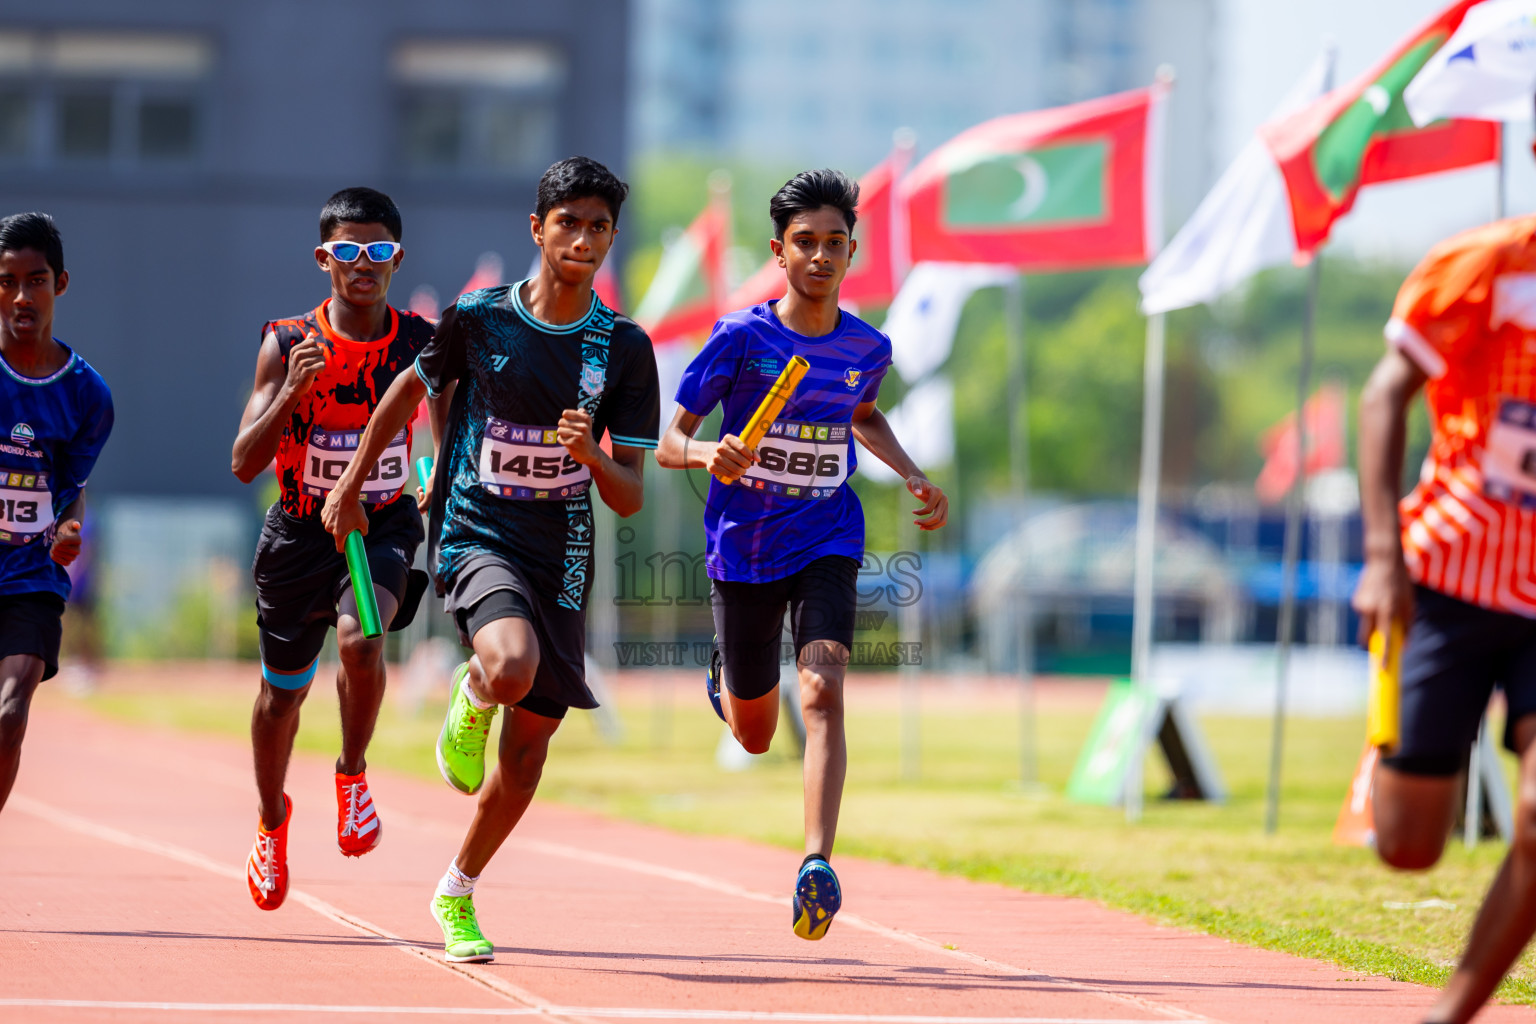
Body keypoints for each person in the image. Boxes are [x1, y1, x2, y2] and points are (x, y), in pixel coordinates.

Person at [321, 156, 659, 963]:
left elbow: (629, 494)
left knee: (529, 749)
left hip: (563, 552)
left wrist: (593, 454)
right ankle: (471, 694)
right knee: (508, 668)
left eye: (598, 226)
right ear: (537, 229)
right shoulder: (478, 319)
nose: (583, 238)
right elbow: (406, 393)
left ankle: (458, 890)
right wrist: (354, 486)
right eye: (567, 222)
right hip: (477, 530)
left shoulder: (624, 348)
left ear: (612, 238)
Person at [655, 169, 948, 941]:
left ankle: (816, 862)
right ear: (780, 253)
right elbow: (668, 440)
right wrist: (705, 455)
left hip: (827, 535)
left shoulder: (865, 346)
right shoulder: (742, 340)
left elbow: (863, 416)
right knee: (754, 733)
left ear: (852, 253)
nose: (821, 256)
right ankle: (729, 676)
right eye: (805, 243)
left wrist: (912, 471)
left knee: (822, 690)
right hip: (745, 548)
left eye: (835, 244)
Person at [231, 187, 441, 911]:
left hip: (377, 524)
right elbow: (242, 461)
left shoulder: (418, 343)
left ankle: (352, 774)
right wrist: (290, 391)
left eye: (378, 251)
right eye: (348, 251)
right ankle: (270, 820)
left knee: (362, 638)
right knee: (280, 697)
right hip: (296, 535)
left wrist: (429, 476)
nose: (363, 264)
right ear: (324, 258)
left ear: (396, 258)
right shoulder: (288, 342)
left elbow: (438, 430)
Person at [1354, 208, 1536, 1023]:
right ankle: (1399, 760)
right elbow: (1383, 394)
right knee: (1408, 845)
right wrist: (1384, 560)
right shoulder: (1481, 264)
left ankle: (1451, 1013)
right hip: (1451, 574)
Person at [0, 212, 113, 816]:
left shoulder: (87, 395)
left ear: (59, 285)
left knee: (10, 711)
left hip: (29, 574)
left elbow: (72, 488)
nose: (22, 296)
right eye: (8, 280)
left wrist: (69, 527)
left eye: (36, 280)